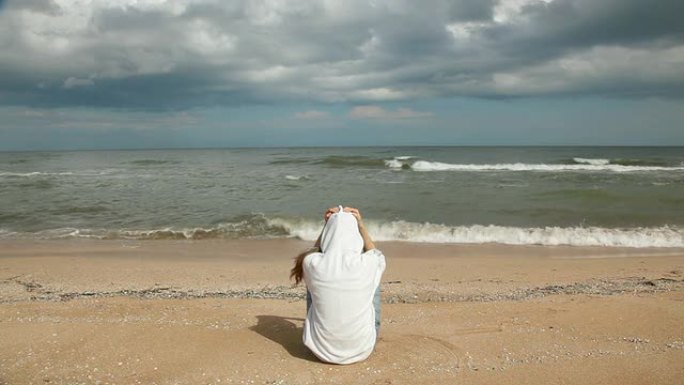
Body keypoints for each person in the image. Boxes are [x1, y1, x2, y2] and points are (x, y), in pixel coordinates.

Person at [290, 206, 386, 364]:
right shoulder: (368, 262)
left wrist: (325, 226)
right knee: (374, 277)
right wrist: (360, 225)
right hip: (363, 349)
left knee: (312, 279)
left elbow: (313, 251)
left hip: (319, 350)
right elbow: (375, 253)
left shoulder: (311, 262)